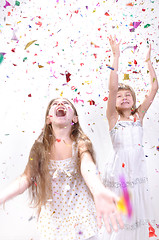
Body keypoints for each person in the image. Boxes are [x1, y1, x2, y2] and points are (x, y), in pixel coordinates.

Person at [0, 97, 123, 240]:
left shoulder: (81, 143)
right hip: (53, 221)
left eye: (66, 103)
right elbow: (26, 178)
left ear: (75, 119)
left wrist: (98, 189)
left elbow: (87, 166)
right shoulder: (40, 147)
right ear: (48, 119)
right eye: (54, 103)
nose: (60, 103)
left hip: (81, 217)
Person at [103, 35, 158, 240]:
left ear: (134, 100)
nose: (124, 97)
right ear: (115, 102)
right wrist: (115, 56)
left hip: (137, 168)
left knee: (136, 211)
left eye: (128, 96)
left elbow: (153, 90)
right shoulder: (112, 118)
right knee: (122, 211)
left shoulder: (138, 116)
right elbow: (112, 87)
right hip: (120, 170)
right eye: (120, 96)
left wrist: (148, 63)